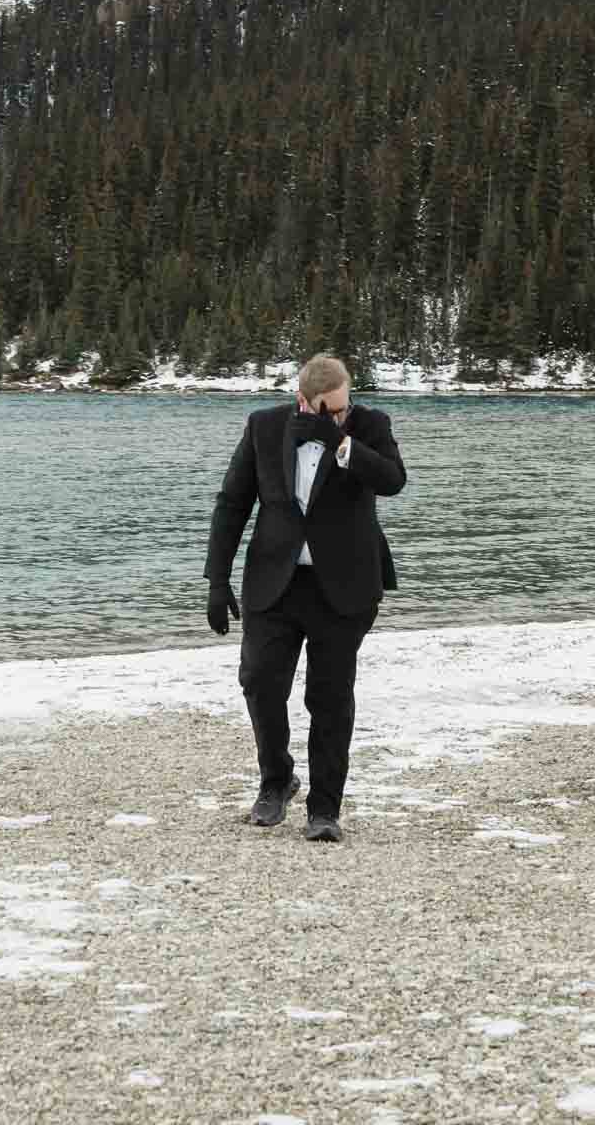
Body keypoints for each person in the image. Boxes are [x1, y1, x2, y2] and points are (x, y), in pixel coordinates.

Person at [205, 353, 405, 843]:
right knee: (259, 682)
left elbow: (392, 480)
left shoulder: (369, 425)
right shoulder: (264, 427)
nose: (339, 414)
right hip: (275, 581)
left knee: (329, 697)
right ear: (303, 400)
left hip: (345, 585)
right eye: (328, 410)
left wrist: (340, 442)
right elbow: (232, 503)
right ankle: (276, 781)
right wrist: (216, 580)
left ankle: (325, 809)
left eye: (344, 406)